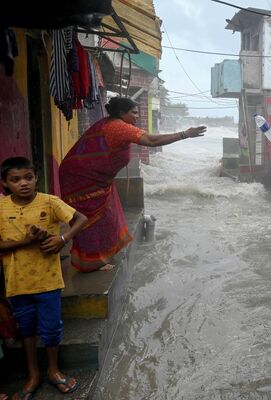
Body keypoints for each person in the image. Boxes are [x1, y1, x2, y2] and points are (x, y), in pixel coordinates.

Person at [59, 97, 207, 272]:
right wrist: (184, 134)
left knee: (108, 215)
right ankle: (90, 263)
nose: (137, 116)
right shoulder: (118, 127)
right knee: (96, 220)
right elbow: (152, 141)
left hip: (97, 178)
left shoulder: (111, 124)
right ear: (122, 113)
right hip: (82, 178)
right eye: (133, 113)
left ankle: (95, 259)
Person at [0, 157, 88, 398]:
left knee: (50, 329)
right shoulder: (1, 208)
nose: (24, 184)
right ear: (5, 184)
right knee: (26, 330)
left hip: (48, 281)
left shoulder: (49, 202)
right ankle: (33, 374)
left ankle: (53, 370)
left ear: (36, 177)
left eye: (28, 177)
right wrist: (26, 241)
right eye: (15, 180)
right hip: (17, 283)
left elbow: (80, 219)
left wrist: (62, 239)